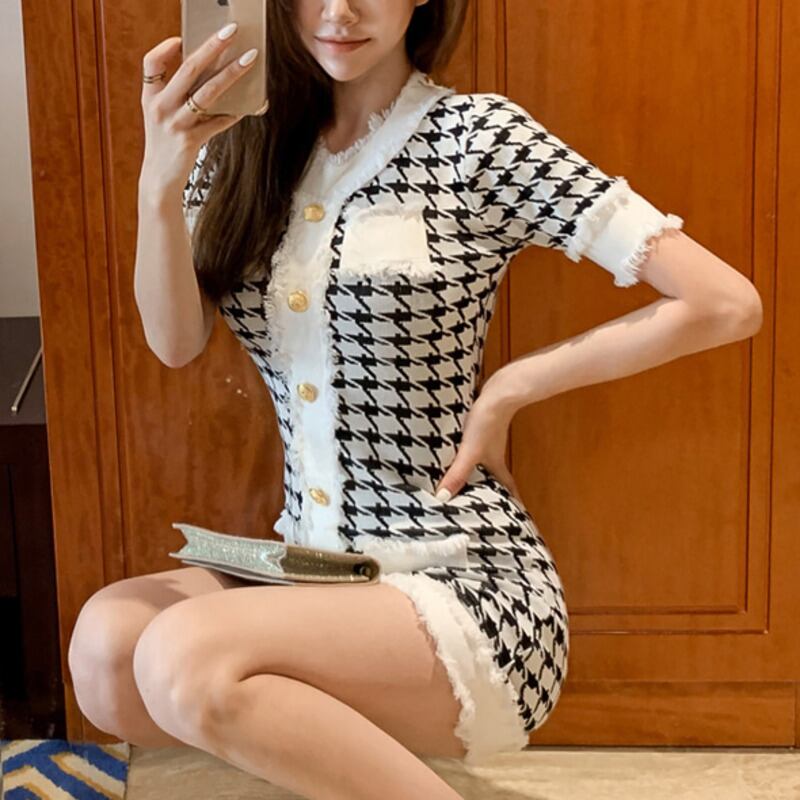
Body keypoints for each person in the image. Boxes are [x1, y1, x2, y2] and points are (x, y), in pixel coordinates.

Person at [68, 1, 763, 799]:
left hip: (461, 578)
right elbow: (174, 341)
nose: (341, 11)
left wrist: (511, 387)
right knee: (108, 650)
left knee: (184, 655)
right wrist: (160, 176)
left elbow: (724, 302)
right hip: (314, 568)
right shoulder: (242, 148)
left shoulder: (477, 139)